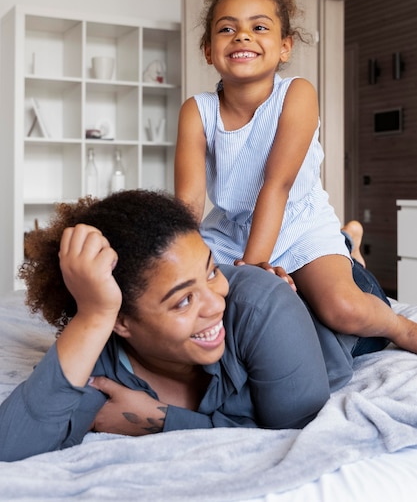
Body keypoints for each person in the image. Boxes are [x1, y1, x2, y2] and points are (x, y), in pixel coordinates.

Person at [0, 190, 388, 462]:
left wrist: (163, 420)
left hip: (337, 332)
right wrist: (92, 317)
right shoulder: (98, 341)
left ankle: (349, 249)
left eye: (212, 271)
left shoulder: (259, 304)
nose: (215, 304)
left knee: (351, 293)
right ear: (120, 321)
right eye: (183, 299)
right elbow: (12, 445)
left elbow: (294, 433)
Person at [174, 0, 417, 354]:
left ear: (285, 46)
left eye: (259, 27)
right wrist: (179, 270)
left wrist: (252, 274)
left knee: (342, 309)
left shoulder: (297, 94)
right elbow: (187, 203)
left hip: (298, 222)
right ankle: (351, 242)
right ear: (208, 50)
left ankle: (400, 324)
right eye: (226, 29)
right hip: (230, 233)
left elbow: (278, 184)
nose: (242, 37)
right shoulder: (196, 111)